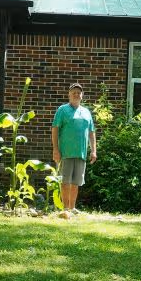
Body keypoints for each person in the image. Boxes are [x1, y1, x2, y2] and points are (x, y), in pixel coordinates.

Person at [51, 83, 96, 213]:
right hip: (65, 152)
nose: (76, 94)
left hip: (81, 153)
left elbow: (91, 132)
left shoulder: (86, 112)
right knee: (65, 182)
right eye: (74, 92)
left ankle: (72, 207)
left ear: (82, 96)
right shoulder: (62, 110)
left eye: (79, 92)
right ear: (69, 95)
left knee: (76, 183)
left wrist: (93, 150)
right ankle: (65, 208)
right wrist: (55, 149)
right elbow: (55, 129)